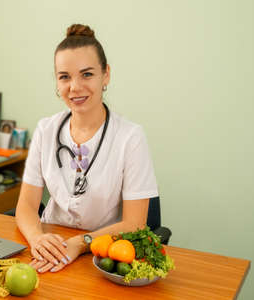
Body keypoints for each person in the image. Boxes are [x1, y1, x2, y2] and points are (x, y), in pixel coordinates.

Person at [15, 24, 158, 274]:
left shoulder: (130, 137)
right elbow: (26, 205)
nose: (75, 87)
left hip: (100, 254)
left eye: (87, 74)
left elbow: (135, 223)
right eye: (64, 77)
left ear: (106, 75)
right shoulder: (46, 130)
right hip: (51, 246)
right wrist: (37, 238)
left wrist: (80, 243)